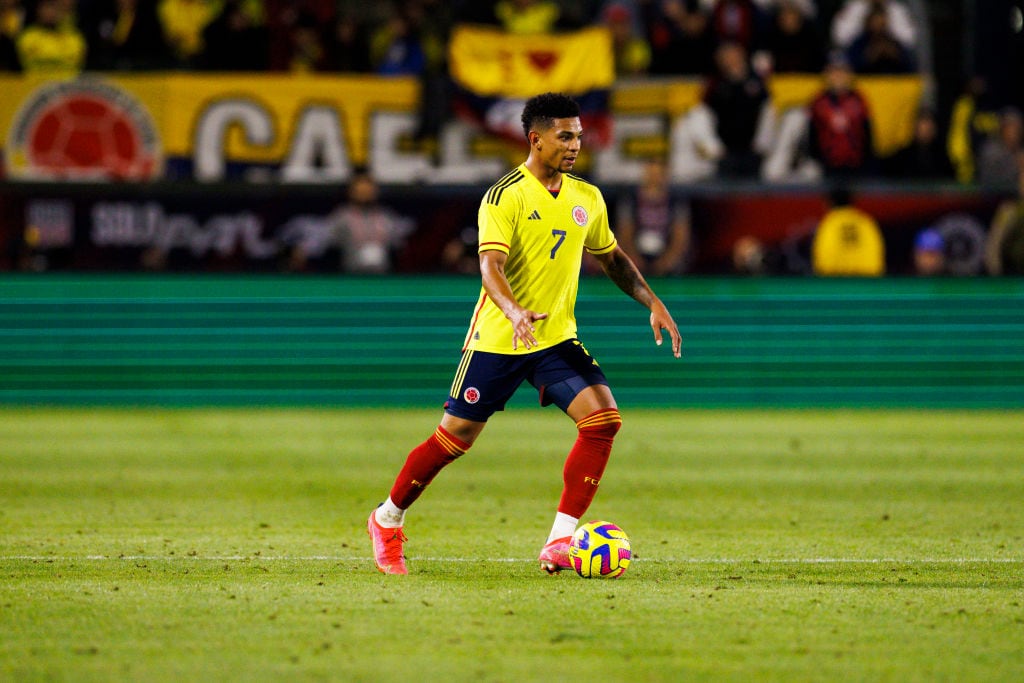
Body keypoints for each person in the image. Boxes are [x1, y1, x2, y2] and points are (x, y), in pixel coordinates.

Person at [366, 92, 682, 575]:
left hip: (555, 338)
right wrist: (513, 311)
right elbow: (490, 266)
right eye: (565, 136)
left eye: (578, 136)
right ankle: (387, 518)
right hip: (499, 337)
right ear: (535, 139)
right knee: (455, 438)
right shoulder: (504, 196)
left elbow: (613, 258)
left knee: (603, 420)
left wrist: (652, 301)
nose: (575, 145)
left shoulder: (587, 197)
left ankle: (559, 541)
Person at [615, 158, 692, 276]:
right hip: (636, 251)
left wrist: (667, 260)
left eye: (658, 173)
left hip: (666, 251)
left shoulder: (676, 201)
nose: (654, 177)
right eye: (651, 172)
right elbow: (625, 233)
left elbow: (680, 235)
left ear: (665, 175)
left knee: (680, 263)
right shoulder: (630, 200)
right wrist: (632, 257)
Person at [806, 51, 876, 179]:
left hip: (856, 167)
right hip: (825, 168)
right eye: (833, 72)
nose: (838, 76)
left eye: (842, 71)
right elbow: (812, 137)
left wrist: (867, 165)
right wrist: (818, 162)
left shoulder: (859, 100)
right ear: (826, 74)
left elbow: (868, 136)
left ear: (850, 74)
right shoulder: (818, 101)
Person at [811, 187, 885, 276]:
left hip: (836, 279)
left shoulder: (829, 223)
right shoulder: (866, 221)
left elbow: (820, 262)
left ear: (830, 203)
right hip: (868, 278)